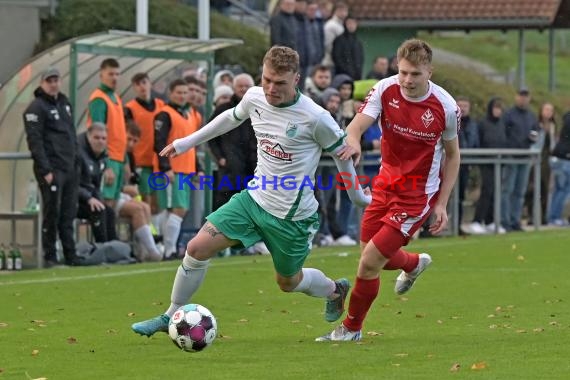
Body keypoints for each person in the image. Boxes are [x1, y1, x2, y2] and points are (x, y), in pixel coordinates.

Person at [131, 46, 371, 337]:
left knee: (288, 282)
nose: (270, 88)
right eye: (266, 79)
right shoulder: (255, 96)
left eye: (279, 83)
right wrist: (186, 142)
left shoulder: (316, 118)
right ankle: (169, 316)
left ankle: (335, 290)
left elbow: (342, 156)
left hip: (291, 216)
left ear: (296, 79)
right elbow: (231, 118)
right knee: (196, 248)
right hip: (253, 199)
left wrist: (359, 198)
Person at [316, 39, 461, 341]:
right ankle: (413, 262)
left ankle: (351, 329)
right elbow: (357, 125)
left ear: (429, 72)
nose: (407, 80)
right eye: (403, 72)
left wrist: (442, 204)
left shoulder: (446, 107)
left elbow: (453, 154)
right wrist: (353, 140)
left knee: (369, 262)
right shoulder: (385, 89)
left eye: (415, 75)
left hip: (416, 195)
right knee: (369, 254)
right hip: (384, 186)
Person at [23, 67, 83, 267]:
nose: (53, 84)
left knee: (68, 213)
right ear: (42, 83)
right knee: (52, 213)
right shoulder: (35, 108)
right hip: (52, 170)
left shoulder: (64, 103)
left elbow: (71, 135)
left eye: (56, 80)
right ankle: (50, 257)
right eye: (49, 80)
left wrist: (77, 162)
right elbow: (35, 141)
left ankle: (71, 255)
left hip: (70, 169)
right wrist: (45, 170)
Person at [153, 79, 203, 259]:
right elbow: (159, 142)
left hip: (186, 168)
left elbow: (193, 143)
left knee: (175, 209)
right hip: (173, 169)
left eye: (185, 92)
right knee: (177, 208)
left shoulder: (190, 114)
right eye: (178, 92)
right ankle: (169, 249)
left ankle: (167, 249)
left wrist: (198, 167)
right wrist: (165, 167)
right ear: (170, 93)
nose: (182, 96)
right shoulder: (164, 114)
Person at [88, 58, 127, 211]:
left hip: (118, 158)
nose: (115, 78)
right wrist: (106, 164)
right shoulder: (99, 98)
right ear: (101, 75)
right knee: (105, 202)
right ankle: (104, 235)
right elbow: (97, 135)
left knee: (113, 201)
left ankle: (110, 234)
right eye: (111, 74)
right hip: (109, 158)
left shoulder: (115, 97)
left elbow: (120, 132)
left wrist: (125, 161)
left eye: (117, 74)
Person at [124, 72, 165, 210]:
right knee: (144, 199)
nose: (142, 87)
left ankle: (156, 230)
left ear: (150, 84)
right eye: (137, 84)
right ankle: (147, 229)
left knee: (158, 203)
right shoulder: (130, 108)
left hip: (158, 161)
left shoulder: (161, 105)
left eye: (144, 82)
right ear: (134, 88)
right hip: (140, 161)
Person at [501, 87, 539, 231]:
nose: (523, 98)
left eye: (526, 96)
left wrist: (532, 138)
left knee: (519, 192)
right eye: (521, 95)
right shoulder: (509, 114)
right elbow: (503, 134)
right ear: (516, 97)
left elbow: (535, 132)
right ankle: (505, 221)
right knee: (507, 190)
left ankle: (515, 220)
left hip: (525, 156)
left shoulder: (531, 116)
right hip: (511, 156)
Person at [77, 122, 118, 243]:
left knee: (108, 211)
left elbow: (95, 185)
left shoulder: (102, 158)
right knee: (98, 210)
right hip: (72, 200)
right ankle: (103, 246)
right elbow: (72, 184)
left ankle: (113, 247)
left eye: (103, 138)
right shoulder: (78, 154)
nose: (100, 141)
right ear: (88, 137)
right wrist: (89, 198)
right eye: (96, 137)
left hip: (87, 200)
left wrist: (97, 199)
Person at [548, 110, 570, 226]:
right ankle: (554, 217)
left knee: (559, 189)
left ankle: (553, 216)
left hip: (560, 157)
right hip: (565, 158)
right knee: (563, 189)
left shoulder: (566, 118)